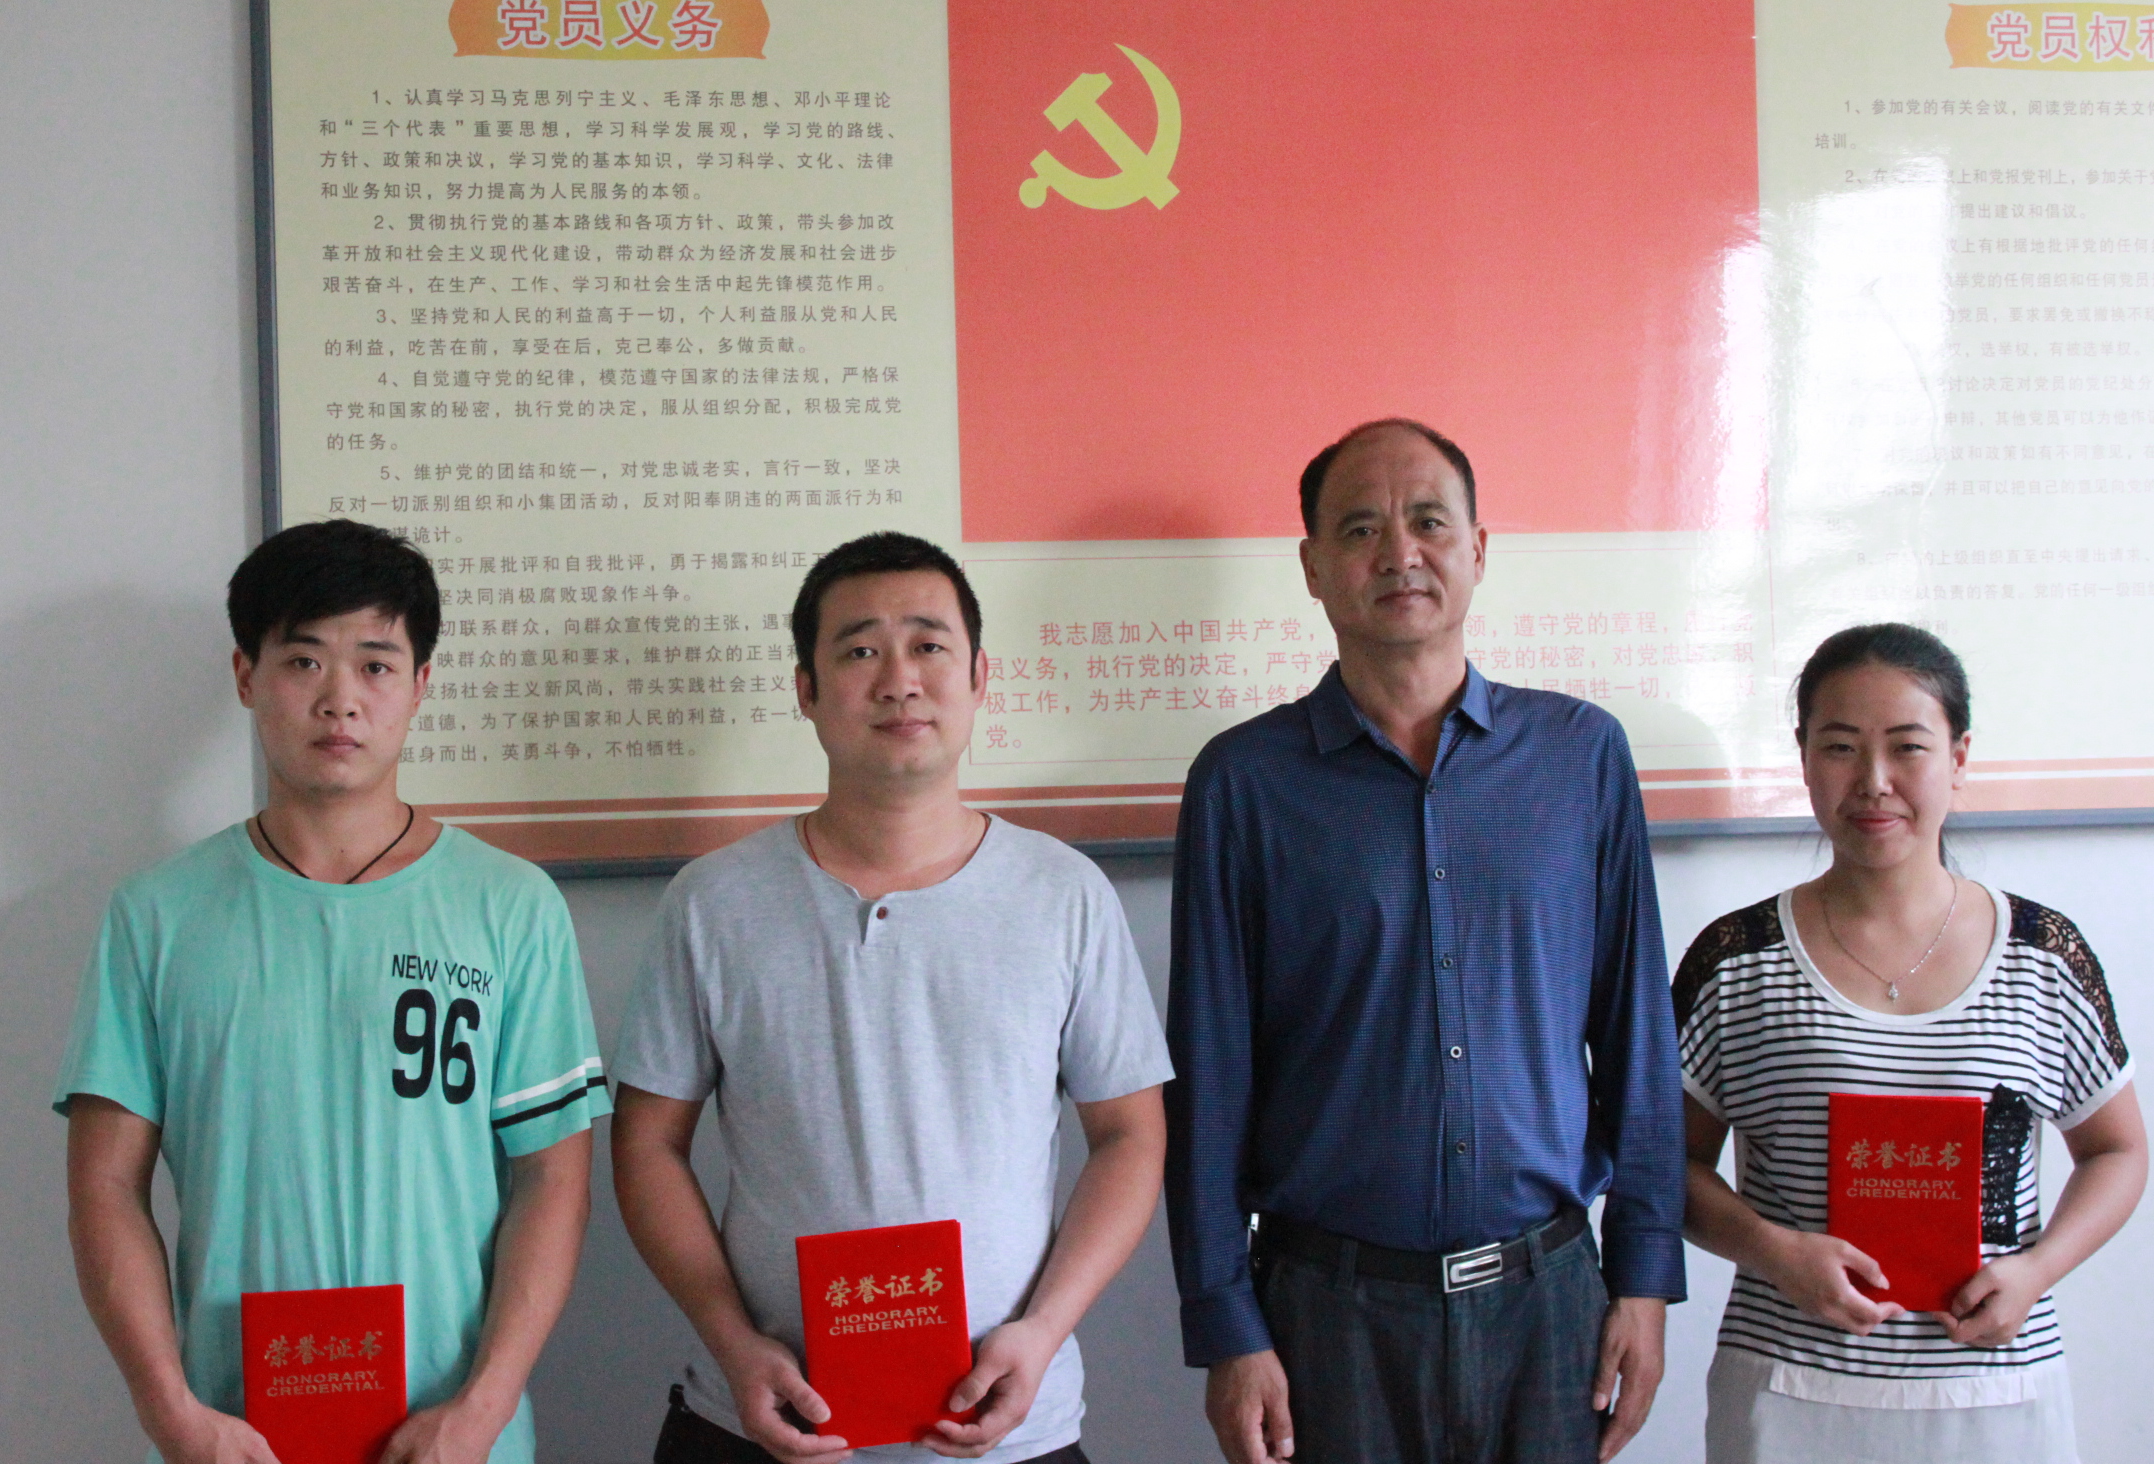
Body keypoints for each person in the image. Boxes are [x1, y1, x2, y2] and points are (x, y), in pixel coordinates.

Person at [1167, 418, 1686, 1464]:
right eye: (1361, 528)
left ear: (1478, 550)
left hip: (1551, 1304)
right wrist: (1226, 1324)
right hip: (1326, 1317)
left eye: (1429, 522)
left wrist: (1643, 1275)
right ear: (1313, 566)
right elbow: (1209, 1076)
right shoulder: (1244, 782)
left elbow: (1636, 1032)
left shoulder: (1580, 755)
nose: (1399, 552)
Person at [610, 531, 1171, 1464]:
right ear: (806, 688)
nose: (900, 680)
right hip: (758, 1419)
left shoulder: (1064, 894)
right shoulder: (713, 900)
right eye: (861, 650)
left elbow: (1130, 1135)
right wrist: (731, 1339)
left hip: (1010, 1426)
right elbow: (647, 1141)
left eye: (928, 645)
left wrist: (1043, 1330)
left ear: (979, 677)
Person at [55, 519, 605, 1464]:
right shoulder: (157, 916)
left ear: (420, 685)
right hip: (230, 1435)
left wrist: (482, 1409)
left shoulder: (511, 907)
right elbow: (105, 1185)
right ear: (246, 676)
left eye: (376, 665)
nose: (339, 699)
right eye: (303, 661)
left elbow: (553, 1178)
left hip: (453, 1436)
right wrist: (171, 1412)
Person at [1675, 622, 2145, 1464]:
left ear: (1958, 757)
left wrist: (2036, 1273)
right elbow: (1663, 1165)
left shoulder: (2043, 955)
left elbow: (2118, 1151)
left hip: (1996, 1393)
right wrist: (1776, 1253)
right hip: (1789, 1391)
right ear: (1803, 756)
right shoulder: (1736, 959)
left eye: (1908, 747)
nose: (1874, 781)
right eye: (1841, 747)